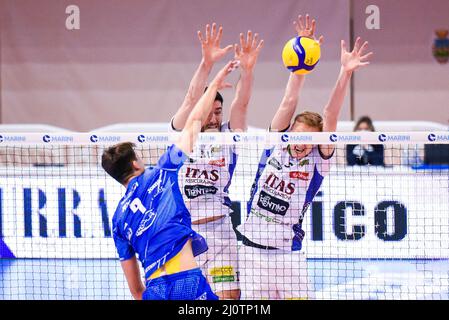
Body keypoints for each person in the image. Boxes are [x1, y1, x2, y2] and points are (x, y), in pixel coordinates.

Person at [237, 14, 373, 299]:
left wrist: (345, 72)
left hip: (289, 256)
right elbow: (289, 100)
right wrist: (302, 58)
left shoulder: (318, 162)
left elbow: (331, 114)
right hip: (250, 252)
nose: (300, 144)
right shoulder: (275, 144)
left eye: (307, 140)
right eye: (297, 136)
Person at [101, 60, 239, 300]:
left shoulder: (118, 220)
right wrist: (214, 79)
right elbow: (194, 121)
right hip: (186, 281)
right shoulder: (162, 174)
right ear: (135, 163)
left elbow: (136, 291)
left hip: (155, 289)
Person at [169, 23, 263, 300]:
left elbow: (242, 105)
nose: (214, 117)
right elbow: (190, 97)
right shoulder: (184, 133)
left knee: (229, 298)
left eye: (218, 112)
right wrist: (207, 63)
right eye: (210, 111)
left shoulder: (228, 137)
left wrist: (247, 71)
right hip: (185, 235)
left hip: (220, 233)